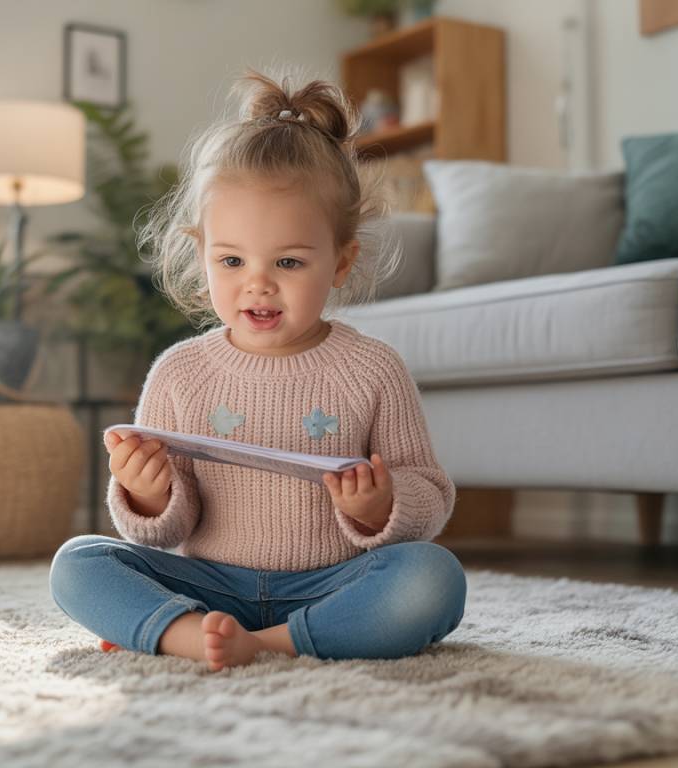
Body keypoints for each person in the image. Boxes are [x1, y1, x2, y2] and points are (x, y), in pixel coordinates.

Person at [49, 67, 466, 672]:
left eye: (290, 261)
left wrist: (380, 508)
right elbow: (161, 534)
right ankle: (188, 632)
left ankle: (272, 643)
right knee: (79, 562)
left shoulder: (373, 368)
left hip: (331, 585)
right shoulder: (179, 373)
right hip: (207, 585)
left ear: (341, 262)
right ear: (203, 257)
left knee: (433, 577)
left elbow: (429, 491)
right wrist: (146, 492)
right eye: (233, 259)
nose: (259, 283)